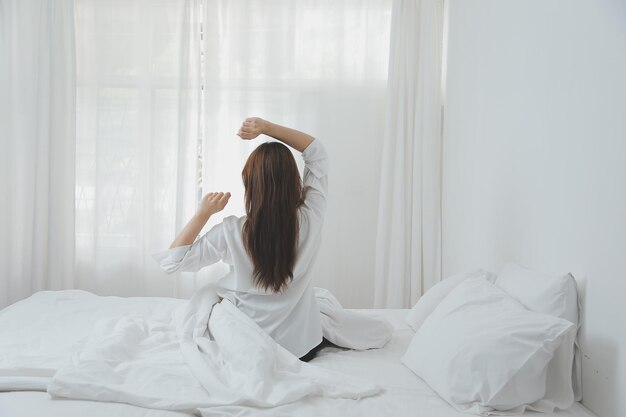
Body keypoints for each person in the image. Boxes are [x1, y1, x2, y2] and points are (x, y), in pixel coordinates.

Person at [154, 117, 333, 362]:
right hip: (301, 348)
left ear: (250, 185)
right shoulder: (312, 216)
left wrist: (202, 214)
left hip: (247, 342)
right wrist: (266, 128)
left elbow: (172, 262)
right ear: (294, 181)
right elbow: (317, 152)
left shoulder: (231, 231)